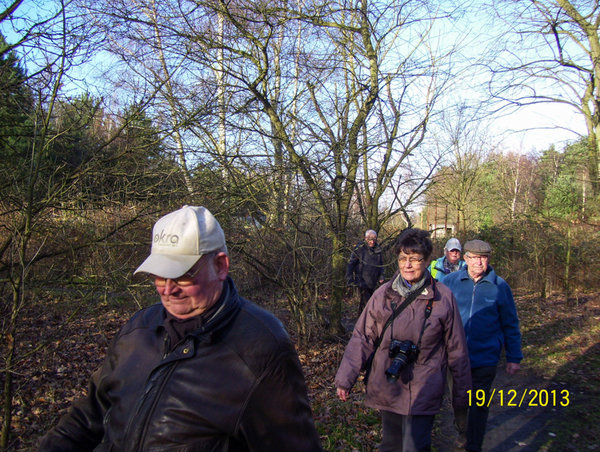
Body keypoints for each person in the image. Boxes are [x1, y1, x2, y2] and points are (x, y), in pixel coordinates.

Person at [37, 205, 324, 452]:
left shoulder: (261, 347)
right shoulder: (138, 329)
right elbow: (89, 416)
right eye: (158, 275)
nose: (167, 289)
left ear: (220, 265)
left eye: (182, 274)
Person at [335, 228, 471, 452]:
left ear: (427, 261)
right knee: (391, 445)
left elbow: (457, 349)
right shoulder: (383, 295)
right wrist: (345, 378)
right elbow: (362, 337)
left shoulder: (443, 298)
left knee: (415, 446)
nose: (407, 265)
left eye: (414, 259)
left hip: (425, 385)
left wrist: (461, 394)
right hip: (389, 381)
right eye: (402, 258)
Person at [443, 239, 523, 452]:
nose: (479, 262)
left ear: (488, 259)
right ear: (465, 259)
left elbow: (510, 323)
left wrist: (514, 357)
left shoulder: (500, 287)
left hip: (485, 358)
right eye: (474, 257)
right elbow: (437, 317)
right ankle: (462, 431)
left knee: (478, 405)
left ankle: (473, 445)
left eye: (483, 257)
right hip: (455, 357)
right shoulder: (450, 282)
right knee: (459, 401)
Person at [346, 229, 385, 314]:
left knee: (364, 304)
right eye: (370, 239)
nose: (372, 242)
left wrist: (381, 276)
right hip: (362, 281)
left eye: (374, 239)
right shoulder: (359, 249)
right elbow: (351, 264)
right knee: (368, 303)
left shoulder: (378, 250)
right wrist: (349, 279)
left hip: (373, 281)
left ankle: (359, 323)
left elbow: (381, 264)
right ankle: (366, 323)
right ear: (365, 238)